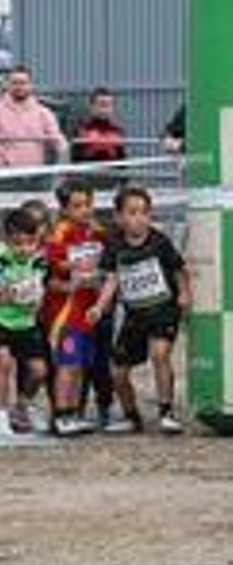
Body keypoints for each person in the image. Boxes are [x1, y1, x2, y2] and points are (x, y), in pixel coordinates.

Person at [91, 186, 190, 434]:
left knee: (159, 354)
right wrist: (99, 306)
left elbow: (179, 269)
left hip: (163, 309)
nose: (140, 218)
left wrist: (185, 293)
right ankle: (131, 416)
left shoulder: (159, 241)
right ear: (119, 217)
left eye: (145, 212)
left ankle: (166, 412)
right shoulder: (114, 245)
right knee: (118, 372)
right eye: (132, 212)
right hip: (135, 314)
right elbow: (112, 280)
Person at [43, 181, 105, 437]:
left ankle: (74, 412)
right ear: (65, 209)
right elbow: (51, 257)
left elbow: (105, 256)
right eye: (77, 206)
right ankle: (60, 414)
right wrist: (78, 265)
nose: (85, 210)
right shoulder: (62, 230)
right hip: (65, 312)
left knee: (80, 364)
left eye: (88, 204)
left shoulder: (95, 231)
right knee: (67, 364)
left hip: (87, 310)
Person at [0, 205, 50, 439]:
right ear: (7, 239)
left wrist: (35, 301)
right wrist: (5, 294)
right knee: (2, 361)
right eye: (18, 243)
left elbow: (41, 292)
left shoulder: (39, 261)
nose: (24, 249)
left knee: (39, 370)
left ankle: (23, 405)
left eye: (29, 243)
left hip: (26, 322)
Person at [0, 66, 67, 167]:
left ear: (30, 85)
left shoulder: (43, 113)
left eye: (23, 83)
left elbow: (57, 139)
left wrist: (64, 152)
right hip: (3, 176)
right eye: (15, 83)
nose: (19, 87)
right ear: (8, 85)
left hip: (34, 174)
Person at [71, 87, 128, 164]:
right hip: (89, 173)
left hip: (112, 174)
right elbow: (75, 160)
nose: (104, 110)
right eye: (101, 105)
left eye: (108, 105)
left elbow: (123, 161)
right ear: (92, 106)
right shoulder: (81, 131)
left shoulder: (117, 132)